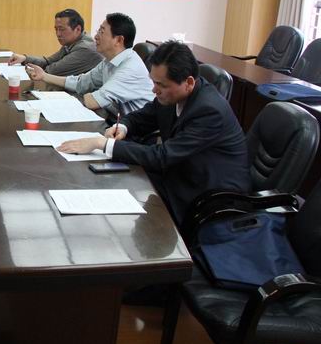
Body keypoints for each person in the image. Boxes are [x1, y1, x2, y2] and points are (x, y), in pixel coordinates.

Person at [57, 41, 251, 224]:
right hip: (179, 173)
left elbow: (163, 156)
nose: (154, 90)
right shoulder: (171, 94)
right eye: (154, 82)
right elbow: (142, 117)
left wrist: (103, 144)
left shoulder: (209, 111)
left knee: (124, 203)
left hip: (209, 195)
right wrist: (122, 127)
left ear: (189, 82)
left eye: (161, 85)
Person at [26, 12, 153, 116]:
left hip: (136, 132)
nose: (96, 36)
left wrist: (89, 94)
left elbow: (92, 102)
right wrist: (44, 76)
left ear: (119, 40)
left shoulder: (129, 69)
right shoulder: (109, 61)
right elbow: (82, 82)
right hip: (117, 121)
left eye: (101, 32)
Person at [8, 8, 101, 76]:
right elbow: (48, 61)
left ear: (77, 29)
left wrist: (29, 68)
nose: (58, 34)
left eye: (62, 29)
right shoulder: (71, 42)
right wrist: (25, 58)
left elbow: (52, 71)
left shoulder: (85, 48)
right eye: (56, 29)